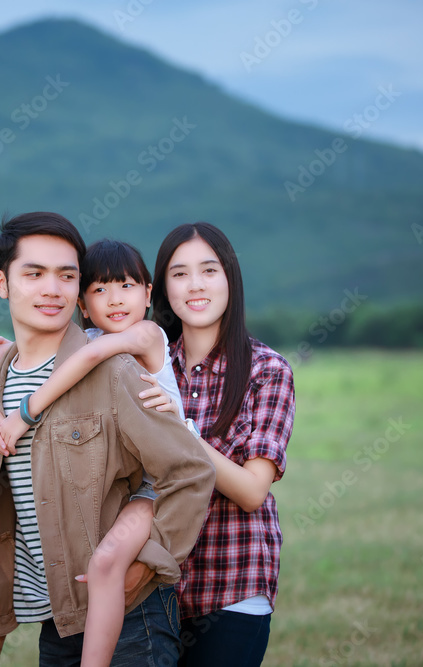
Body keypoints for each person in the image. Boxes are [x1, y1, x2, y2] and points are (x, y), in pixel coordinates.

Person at [0, 213, 215, 667]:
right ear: (1, 282)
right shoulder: (0, 378)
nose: (53, 289)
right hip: (58, 621)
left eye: (67, 276)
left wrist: (145, 564)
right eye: (34, 274)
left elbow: (189, 472)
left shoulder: (115, 368)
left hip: (132, 620)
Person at [149, 222, 295, 667]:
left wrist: (181, 430)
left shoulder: (267, 371)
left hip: (233, 585)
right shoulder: (146, 368)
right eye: (179, 273)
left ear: (230, 278)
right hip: (153, 589)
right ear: (163, 288)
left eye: (209, 270)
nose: (195, 285)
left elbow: (252, 491)